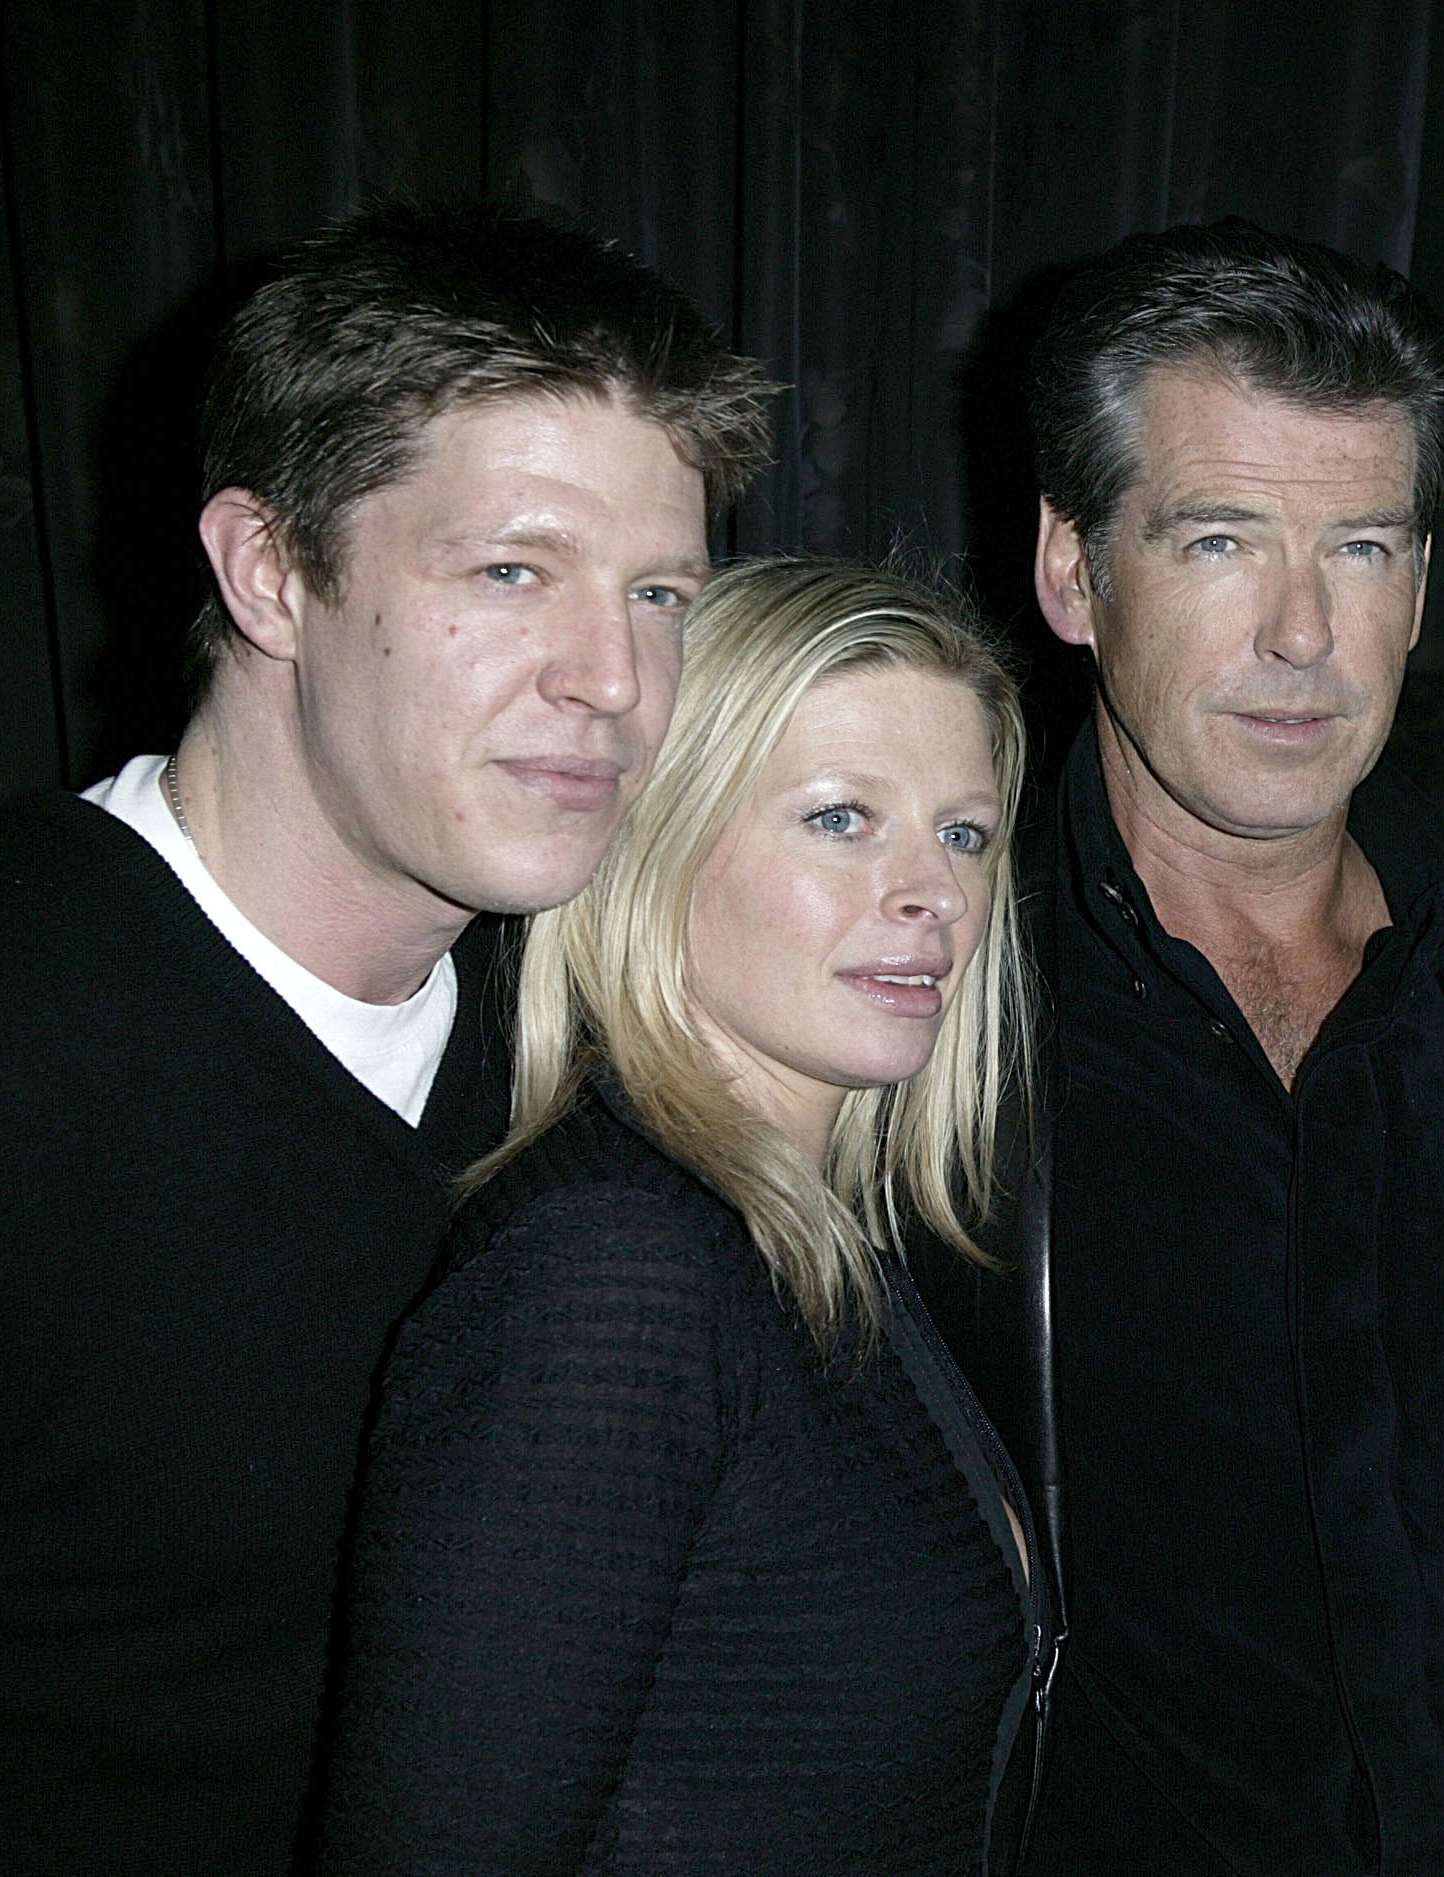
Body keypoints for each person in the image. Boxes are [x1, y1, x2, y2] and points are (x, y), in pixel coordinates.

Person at [0, 200, 772, 1874]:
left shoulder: (595, 1049)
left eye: (661, 591)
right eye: (514, 571)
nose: (614, 677)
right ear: (269, 570)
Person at [913, 218, 1444, 1874]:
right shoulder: (911, 1028)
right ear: (1070, 569)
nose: (1300, 635)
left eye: (1362, 549)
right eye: (1218, 541)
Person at [310, 560, 1048, 1875]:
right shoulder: (616, 1271)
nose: (931, 891)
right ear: (662, 836)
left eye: (965, 831)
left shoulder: (804, 1242)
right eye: (839, 819)